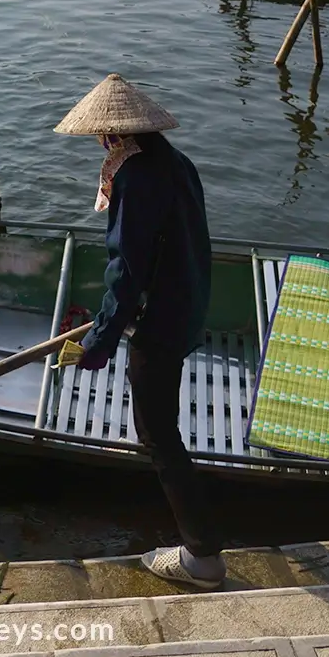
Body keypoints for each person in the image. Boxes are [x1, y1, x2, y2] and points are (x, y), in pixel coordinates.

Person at [54, 72, 225, 591]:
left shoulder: (136, 178)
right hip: (185, 303)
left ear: (114, 136)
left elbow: (126, 271)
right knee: (161, 429)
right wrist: (110, 324)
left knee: (159, 434)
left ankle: (203, 557)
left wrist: (99, 342)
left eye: (102, 139)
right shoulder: (176, 163)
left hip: (160, 322)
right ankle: (202, 546)